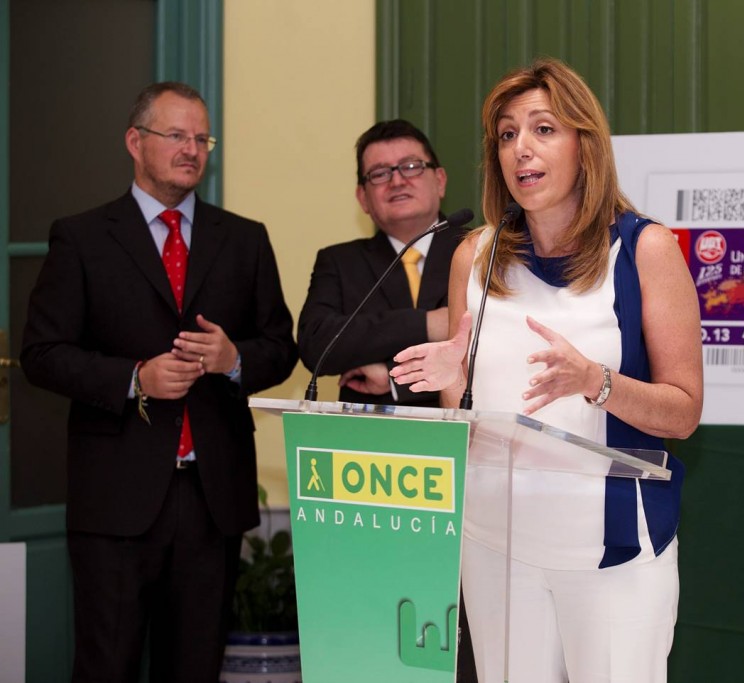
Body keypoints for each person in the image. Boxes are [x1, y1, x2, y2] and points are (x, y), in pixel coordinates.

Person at [391, 58, 703, 683]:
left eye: (543, 129)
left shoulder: (644, 249)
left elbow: (684, 411)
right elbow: (465, 417)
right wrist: (460, 381)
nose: (521, 150)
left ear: (584, 144)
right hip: (496, 544)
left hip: (613, 550)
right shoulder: (474, 255)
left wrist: (596, 382)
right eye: (507, 135)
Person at [20, 82, 298, 682]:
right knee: (107, 665)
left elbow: (281, 347)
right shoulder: (83, 237)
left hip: (211, 499)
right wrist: (133, 378)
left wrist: (233, 359)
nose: (192, 149)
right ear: (134, 141)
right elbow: (41, 354)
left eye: (202, 138)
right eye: (176, 135)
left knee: (194, 667)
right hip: (115, 498)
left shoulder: (244, 239)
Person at [297, 119, 461, 406]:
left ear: (440, 181)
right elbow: (316, 345)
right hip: (368, 444)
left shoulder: (482, 250)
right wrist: (428, 324)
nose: (397, 181)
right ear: (363, 198)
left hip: (469, 437)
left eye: (411, 166)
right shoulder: (339, 262)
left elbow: (496, 349)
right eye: (379, 174)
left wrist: (394, 381)